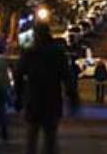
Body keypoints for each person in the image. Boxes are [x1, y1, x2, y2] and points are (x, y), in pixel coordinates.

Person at [15, 24, 79, 154]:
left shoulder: (30, 52)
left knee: (32, 137)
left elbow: (19, 74)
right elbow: (67, 76)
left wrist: (18, 96)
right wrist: (72, 96)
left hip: (34, 99)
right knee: (50, 137)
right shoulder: (57, 52)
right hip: (52, 99)